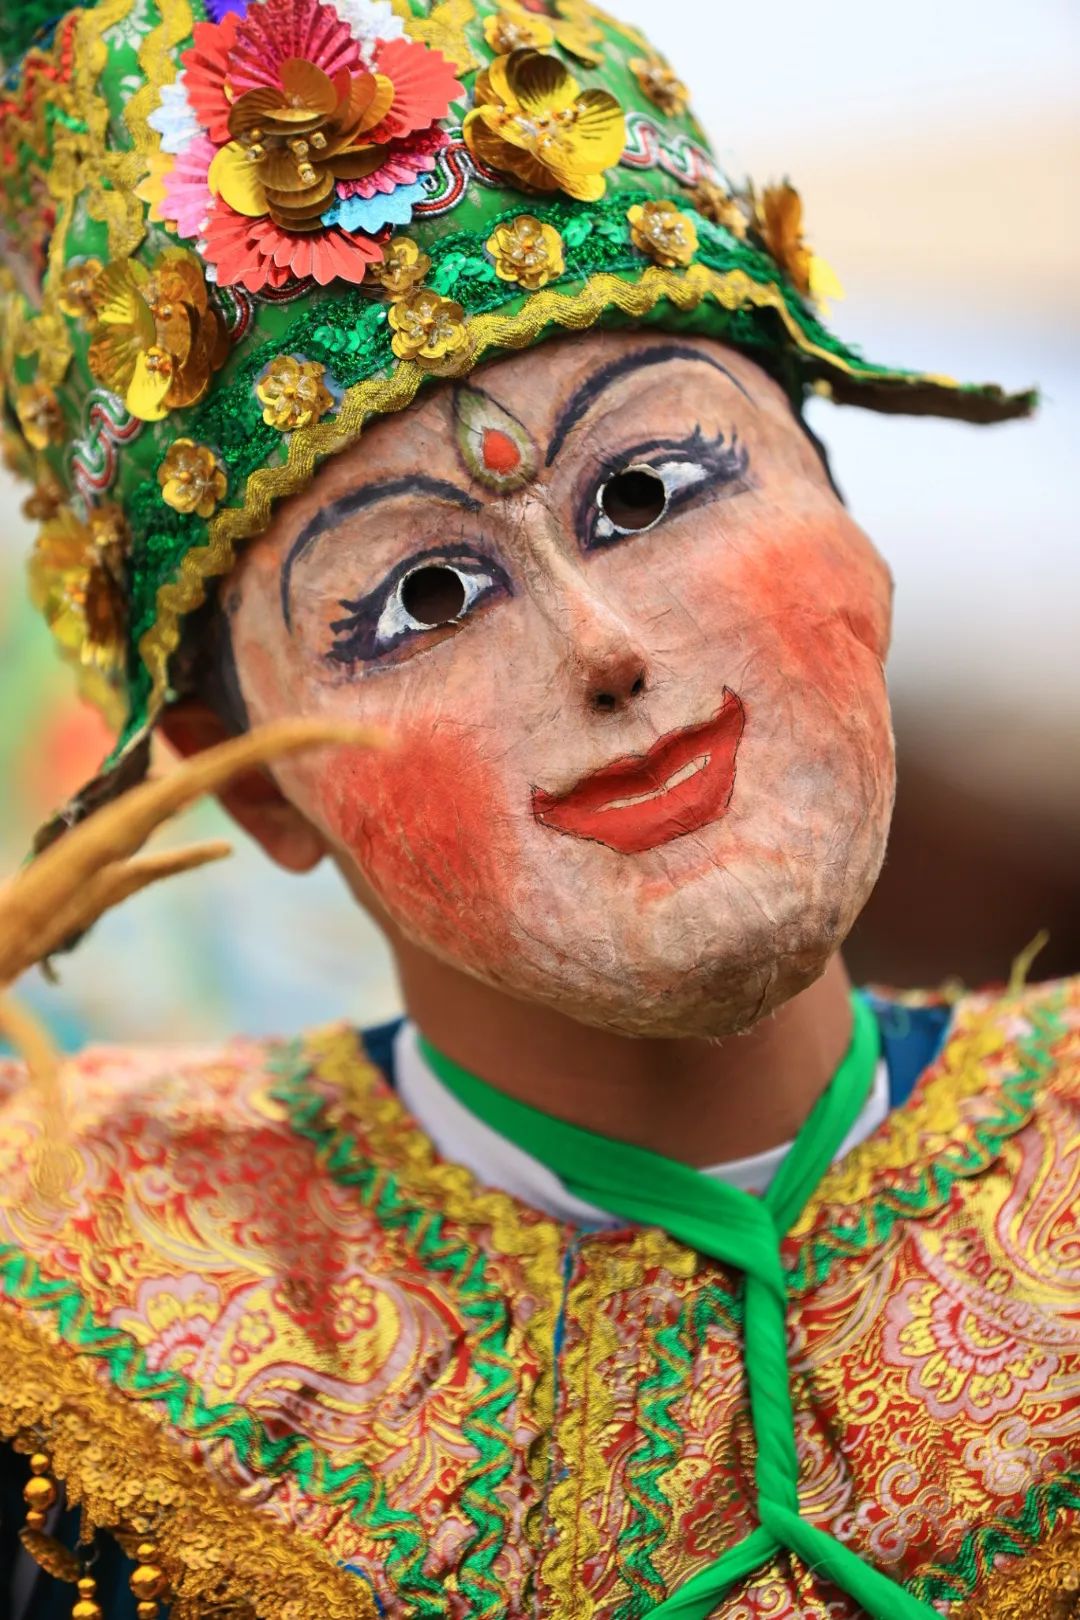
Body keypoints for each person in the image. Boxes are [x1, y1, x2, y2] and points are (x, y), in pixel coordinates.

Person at [0, 1, 1075, 1617]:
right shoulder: (67, 1306)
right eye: (424, 598)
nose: (604, 648)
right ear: (256, 779)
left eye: (650, 492)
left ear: (852, 522)